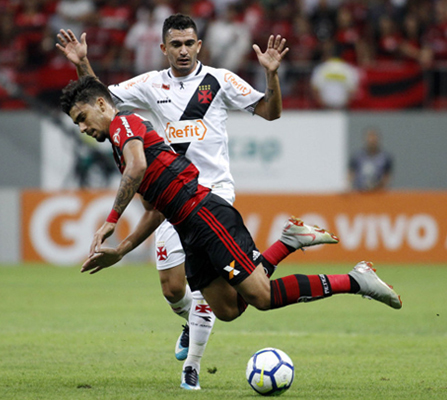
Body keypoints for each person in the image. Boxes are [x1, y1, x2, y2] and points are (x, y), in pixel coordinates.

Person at [60, 75, 401, 391]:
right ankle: (287, 242)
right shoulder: (122, 149)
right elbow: (155, 209)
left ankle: (357, 280)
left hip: (206, 216)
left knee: (262, 298)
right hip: (187, 228)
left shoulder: (125, 124)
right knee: (227, 309)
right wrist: (121, 250)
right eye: (77, 122)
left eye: (82, 117)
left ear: (102, 104)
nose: (82, 127)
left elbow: (137, 168)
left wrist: (111, 219)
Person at [56, 14, 338, 390]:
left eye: (190, 43)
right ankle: (276, 253)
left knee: (245, 293)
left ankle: (192, 368)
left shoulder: (220, 81)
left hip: (212, 192)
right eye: (176, 44)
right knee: (174, 288)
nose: (184, 50)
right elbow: (101, 101)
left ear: (199, 45)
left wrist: (271, 74)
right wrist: (81, 65)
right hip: (170, 198)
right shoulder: (151, 84)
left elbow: (271, 112)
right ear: (163, 49)